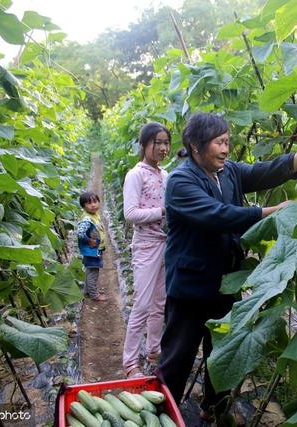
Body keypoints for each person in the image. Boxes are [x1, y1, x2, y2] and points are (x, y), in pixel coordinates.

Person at [157, 112, 297, 420]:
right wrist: (272, 210)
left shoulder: (228, 172)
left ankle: (214, 409)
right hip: (191, 286)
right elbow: (217, 215)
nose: (226, 149)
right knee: (177, 358)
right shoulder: (181, 181)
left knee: (220, 351)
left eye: (227, 142)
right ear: (196, 146)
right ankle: (161, 414)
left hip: (225, 282)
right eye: (219, 142)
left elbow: (268, 171)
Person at [122, 122, 171, 378]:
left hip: (165, 244)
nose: (163, 148)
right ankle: (130, 363)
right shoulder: (136, 175)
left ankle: (154, 351)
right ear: (144, 145)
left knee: (159, 304)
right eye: (158, 143)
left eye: (166, 143)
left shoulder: (164, 176)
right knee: (141, 305)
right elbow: (130, 214)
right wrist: (162, 211)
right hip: (145, 246)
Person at [77, 191, 107, 302]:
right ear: (83, 206)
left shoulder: (93, 215)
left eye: (95, 201)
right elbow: (80, 233)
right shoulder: (87, 219)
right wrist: (88, 240)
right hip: (92, 251)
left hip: (92, 250)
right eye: (89, 203)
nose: (93, 205)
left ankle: (88, 291)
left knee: (90, 270)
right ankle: (94, 295)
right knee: (93, 272)